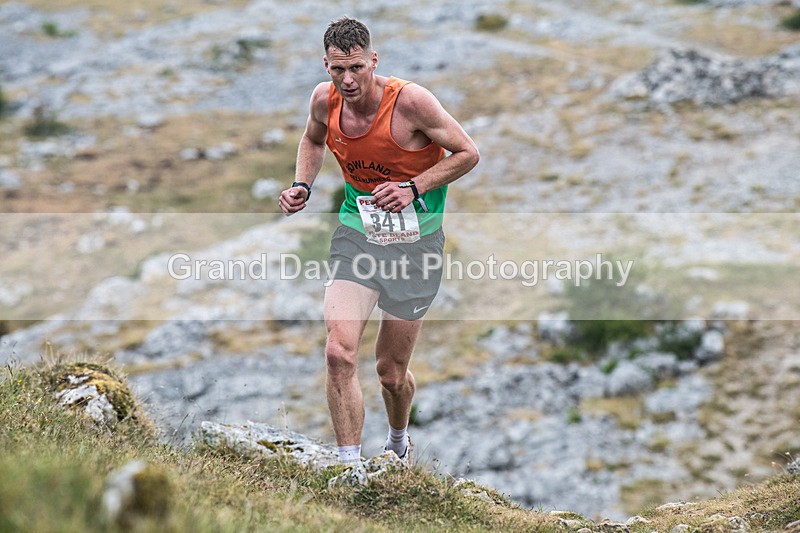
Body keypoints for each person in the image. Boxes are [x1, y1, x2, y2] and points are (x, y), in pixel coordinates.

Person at [278, 16, 479, 468]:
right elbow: (312, 141)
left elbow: (468, 153)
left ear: (373, 60)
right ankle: (350, 467)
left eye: (356, 69)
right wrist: (302, 186)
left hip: (417, 246)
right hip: (359, 234)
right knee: (337, 351)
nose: (347, 80)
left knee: (390, 373)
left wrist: (413, 188)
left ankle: (397, 441)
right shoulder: (323, 100)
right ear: (326, 65)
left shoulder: (411, 103)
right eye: (336, 70)